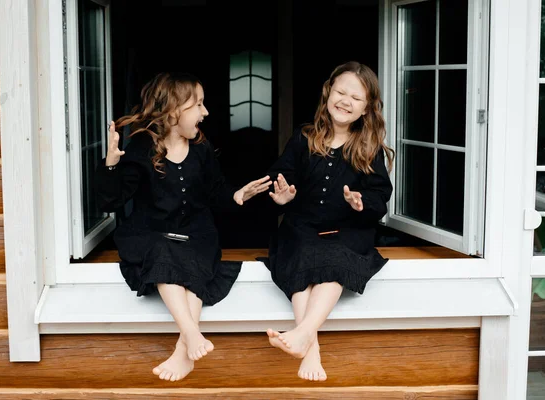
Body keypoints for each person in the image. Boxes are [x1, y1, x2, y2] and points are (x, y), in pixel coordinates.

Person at [95, 72, 271, 381]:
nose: (206, 112)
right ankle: (192, 334)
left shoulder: (202, 148)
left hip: (196, 233)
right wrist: (111, 164)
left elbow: (216, 193)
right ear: (174, 111)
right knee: (165, 252)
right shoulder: (141, 148)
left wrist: (237, 195)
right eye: (198, 105)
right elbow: (111, 200)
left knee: (193, 254)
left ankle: (183, 349)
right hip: (153, 233)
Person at [263, 61, 394, 381]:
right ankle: (311, 346)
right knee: (301, 255)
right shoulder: (304, 138)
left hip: (347, 230)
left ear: (366, 109)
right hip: (301, 227)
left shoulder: (369, 147)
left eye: (356, 97)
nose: (346, 100)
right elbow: (282, 178)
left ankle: (303, 333)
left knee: (335, 259)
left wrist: (362, 204)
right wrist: (282, 197)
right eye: (341, 91)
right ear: (328, 93)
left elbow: (379, 197)